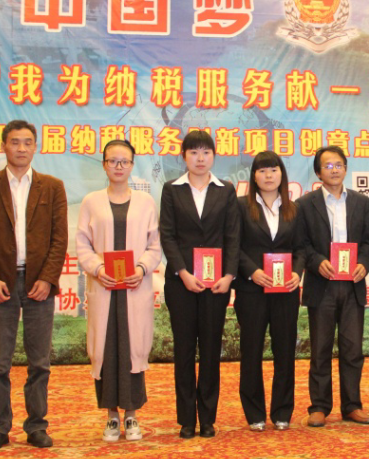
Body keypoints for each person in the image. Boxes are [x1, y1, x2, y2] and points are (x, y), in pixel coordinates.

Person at [0, 120, 67, 451]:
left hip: (39, 283)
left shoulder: (52, 186)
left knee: (39, 362)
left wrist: (48, 278)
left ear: (35, 147)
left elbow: (59, 238)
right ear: (4, 146)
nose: (21, 148)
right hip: (1, 283)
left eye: (27, 142)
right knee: (0, 364)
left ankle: (37, 425)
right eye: (15, 142)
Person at [76, 140, 162, 442]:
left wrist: (141, 268)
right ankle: (111, 416)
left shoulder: (145, 202)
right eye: (113, 161)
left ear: (132, 165)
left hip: (134, 289)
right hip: (105, 288)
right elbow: (83, 244)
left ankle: (132, 415)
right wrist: (98, 269)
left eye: (124, 161)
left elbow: (155, 245)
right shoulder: (91, 202)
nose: (118, 166)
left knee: (132, 349)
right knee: (106, 350)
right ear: (104, 165)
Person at [159, 130, 240, 440]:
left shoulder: (225, 190)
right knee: (183, 351)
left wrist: (228, 276)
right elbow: (167, 235)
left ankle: (207, 418)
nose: (200, 158)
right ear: (184, 157)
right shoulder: (172, 189)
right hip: (181, 283)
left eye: (206, 152)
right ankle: (186, 420)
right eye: (194, 152)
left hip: (216, 285)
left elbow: (232, 235)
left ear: (214, 156)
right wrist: (182, 272)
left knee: (209, 350)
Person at [295, 146, 369, 427]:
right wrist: (317, 262)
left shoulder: (362, 202)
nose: (334, 170)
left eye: (339, 164)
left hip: (352, 285)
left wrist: (363, 263)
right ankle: (319, 406)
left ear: (346, 168)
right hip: (322, 285)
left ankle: (352, 405)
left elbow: (368, 241)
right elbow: (301, 243)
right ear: (318, 172)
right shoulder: (305, 204)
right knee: (320, 348)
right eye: (328, 166)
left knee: (353, 349)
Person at [233, 151, 304, 432]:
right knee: (251, 351)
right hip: (252, 290)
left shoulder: (294, 209)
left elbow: (301, 248)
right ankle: (255, 414)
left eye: (273, 170)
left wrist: (297, 272)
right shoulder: (241, 206)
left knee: (285, 351)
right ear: (254, 177)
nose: (268, 175)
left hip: (286, 291)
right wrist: (252, 271)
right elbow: (233, 246)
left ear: (281, 174)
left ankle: (282, 411)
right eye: (262, 171)